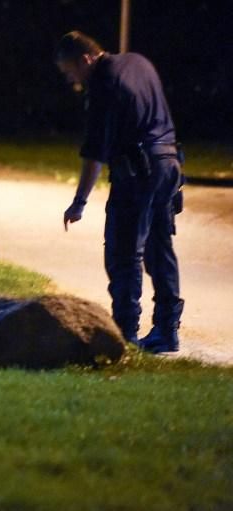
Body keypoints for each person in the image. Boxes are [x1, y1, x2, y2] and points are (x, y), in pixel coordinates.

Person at [55, 31, 185, 353]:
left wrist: (79, 201)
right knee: (159, 248)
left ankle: (124, 335)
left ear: (86, 59)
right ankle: (167, 331)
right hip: (169, 163)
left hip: (138, 170)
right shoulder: (138, 62)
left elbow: (96, 151)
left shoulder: (104, 82)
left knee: (124, 253)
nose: (72, 79)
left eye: (70, 70)